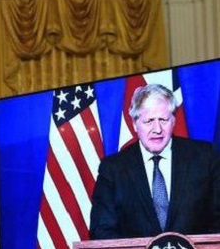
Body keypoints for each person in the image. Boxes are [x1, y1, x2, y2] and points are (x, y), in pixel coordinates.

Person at [90, 83, 220, 239]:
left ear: (173, 121)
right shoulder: (112, 169)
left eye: (163, 120)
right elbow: (102, 232)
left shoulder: (206, 158)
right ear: (135, 124)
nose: (157, 129)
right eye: (149, 121)